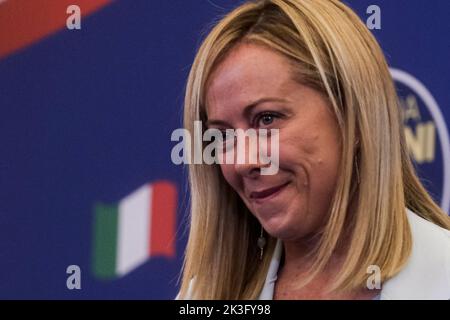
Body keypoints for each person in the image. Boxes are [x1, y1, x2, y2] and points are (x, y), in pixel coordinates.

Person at [177, 0, 450, 299]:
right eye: (224, 136)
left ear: (353, 116)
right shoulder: (202, 297)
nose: (241, 162)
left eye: (267, 119)